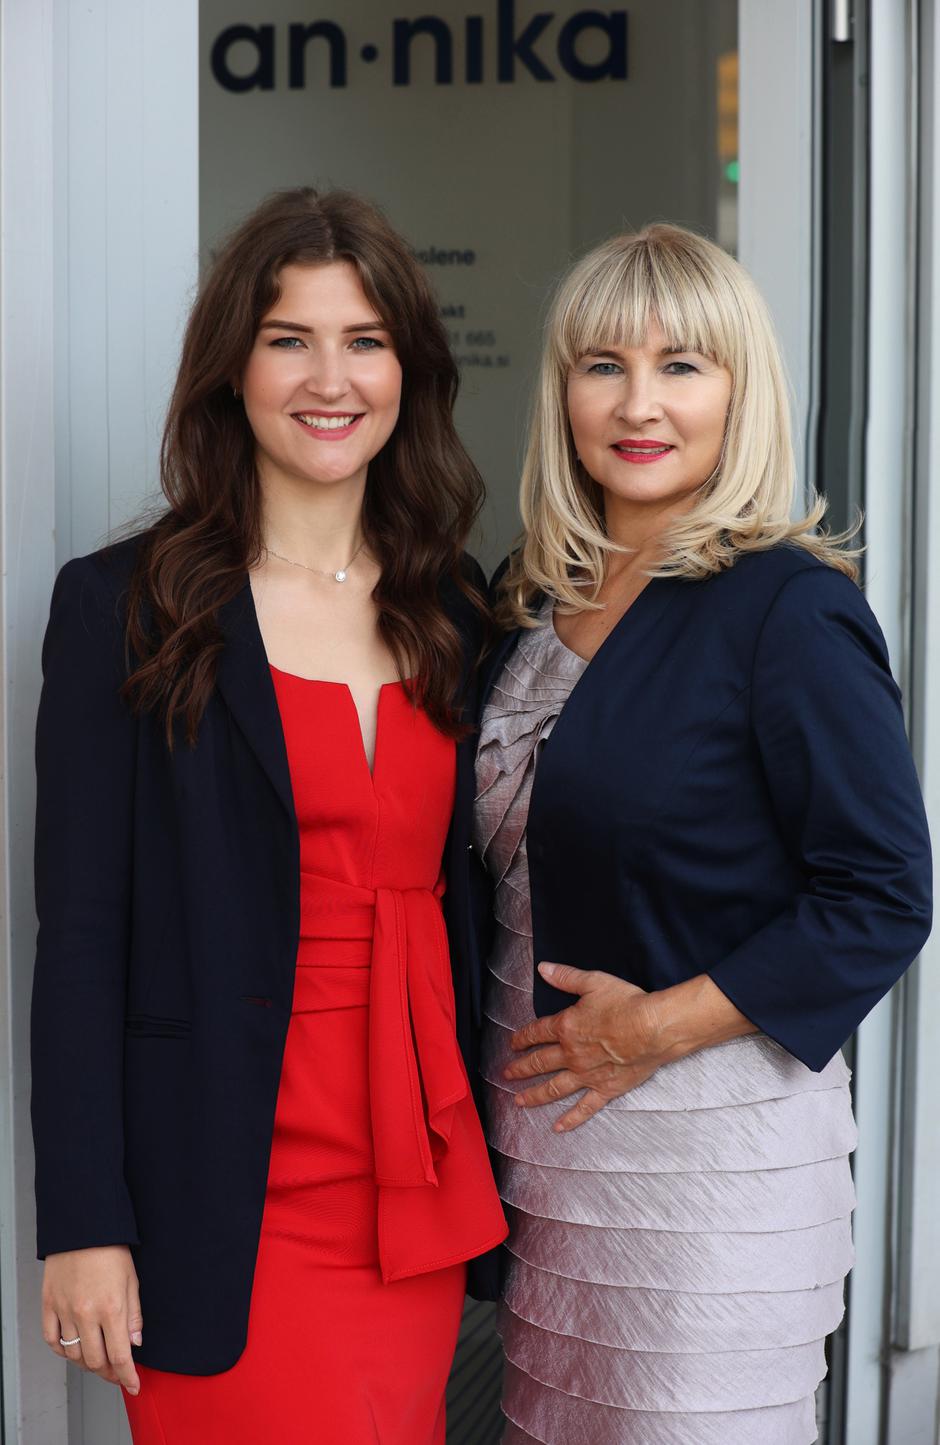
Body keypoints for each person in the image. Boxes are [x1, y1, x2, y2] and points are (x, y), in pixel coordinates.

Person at [31, 186, 507, 1445]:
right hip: (221, 1183)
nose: (329, 378)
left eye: (364, 340)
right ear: (230, 369)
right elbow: (79, 937)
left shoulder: (453, 604)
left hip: (413, 1177)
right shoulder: (126, 607)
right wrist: (84, 1219)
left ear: (408, 369)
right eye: (289, 338)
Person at [470, 224, 932, 1444]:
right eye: (603, 364)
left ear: (740, 389)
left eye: (681, 365)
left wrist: (650, 1027)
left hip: (708, 1161)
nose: (639, 403)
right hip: (548, 1153)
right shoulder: (525, 595)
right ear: (562, 390)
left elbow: (882, 890)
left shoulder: (786, 606)